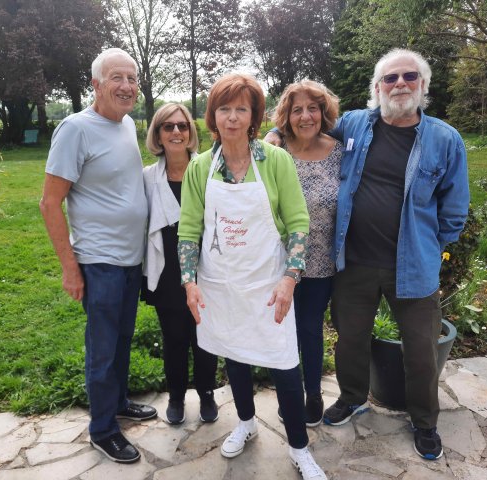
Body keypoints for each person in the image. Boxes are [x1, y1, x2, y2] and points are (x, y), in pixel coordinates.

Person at [266, 48, 470, 461]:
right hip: (355, 261)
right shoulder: (356, 124)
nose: (399, 85)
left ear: (423, 86)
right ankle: (353, 396)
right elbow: (306, 129)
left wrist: (431, 246)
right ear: (376, 88)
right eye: (390, 79)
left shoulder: (444, 139)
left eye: (409, 77)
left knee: (420, 347)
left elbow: (454, 208)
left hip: (411, 266)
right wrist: (272, 137)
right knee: (350, 339)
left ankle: (425, 421)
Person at [179, 73, 327, 480]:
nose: (231, 117)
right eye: (224, 108)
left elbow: (298, 222)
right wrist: (189, 281)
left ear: (254, 116)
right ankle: (245, 422)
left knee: (284, 362)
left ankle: (299, 447)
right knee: (235, 354)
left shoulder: (275, 161)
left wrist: (290, 277)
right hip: (220, 282)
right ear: (213, 116)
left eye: (240, 108)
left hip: (268, 283)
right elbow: (189, 228)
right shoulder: (201, 167)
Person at [39, 47, 157, 465]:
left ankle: (118, 401)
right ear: (96, 84)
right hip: (99, 261)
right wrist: (70, 268)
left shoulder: (125, 125)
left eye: (132, 78)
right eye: (117, 78)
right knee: (103, 349)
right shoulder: (76, 129)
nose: (127, 86)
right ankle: (103, 429)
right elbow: (50, 203)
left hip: (130, 260)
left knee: (122, 341)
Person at [141, 103, 219, 425]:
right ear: (157, 134)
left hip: (206, 269)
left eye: (182, 126)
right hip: (167, 269)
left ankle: (207, 394)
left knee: (204, 338)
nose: (176, 132)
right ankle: (175, 397)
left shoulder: (207, 169)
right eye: (168, 126)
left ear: (190, 133)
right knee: (173, 338)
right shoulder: (147, 178)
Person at [271, 80, 341, 427]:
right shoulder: (274, 150)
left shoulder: (340, 151)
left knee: (310, 330)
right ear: (287, 115)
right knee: (280, 329)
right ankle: (287, 392)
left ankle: (313, 393)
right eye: (297, 109)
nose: (305, 116)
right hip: (277, 261)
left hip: (321, 262)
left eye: (312, 108)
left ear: (323, 112)